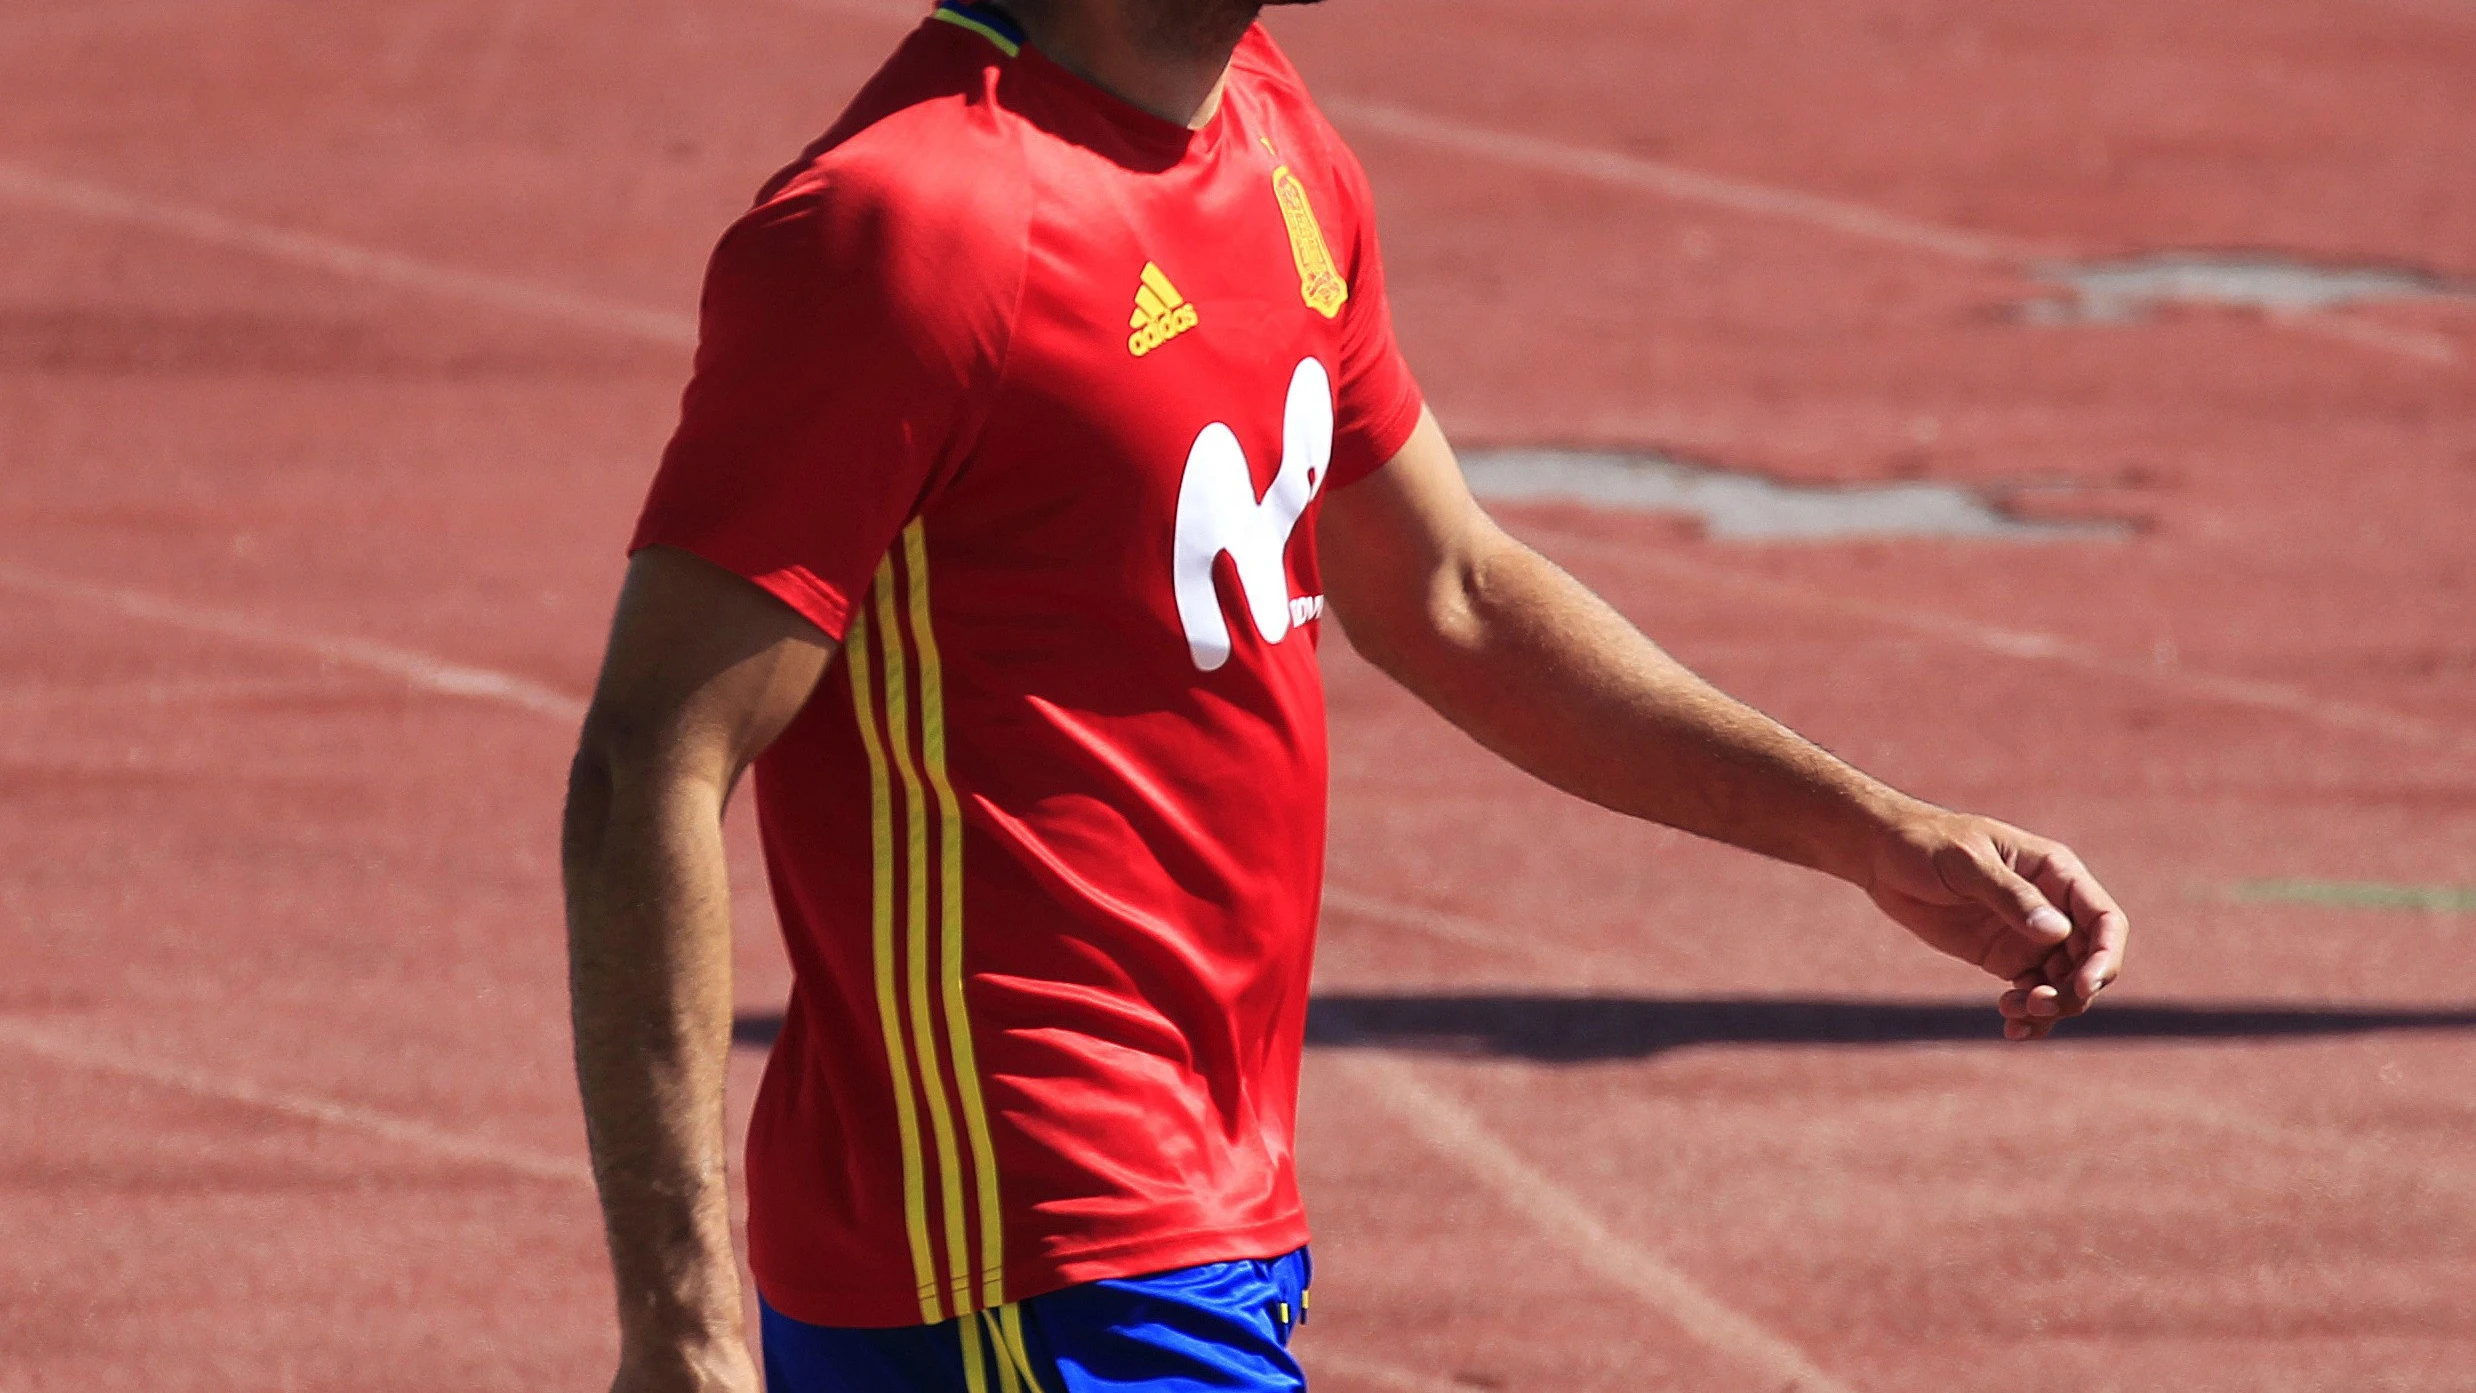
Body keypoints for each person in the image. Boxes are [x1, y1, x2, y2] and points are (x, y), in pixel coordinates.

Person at [559, 0, 2131, 1389]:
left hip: (1203, 1209)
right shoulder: (911, 227)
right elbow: (653, 763)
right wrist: (682, 1329)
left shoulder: (1269, 132)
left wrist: (1870, 835)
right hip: (1016, 1240)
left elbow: (1452, 595)